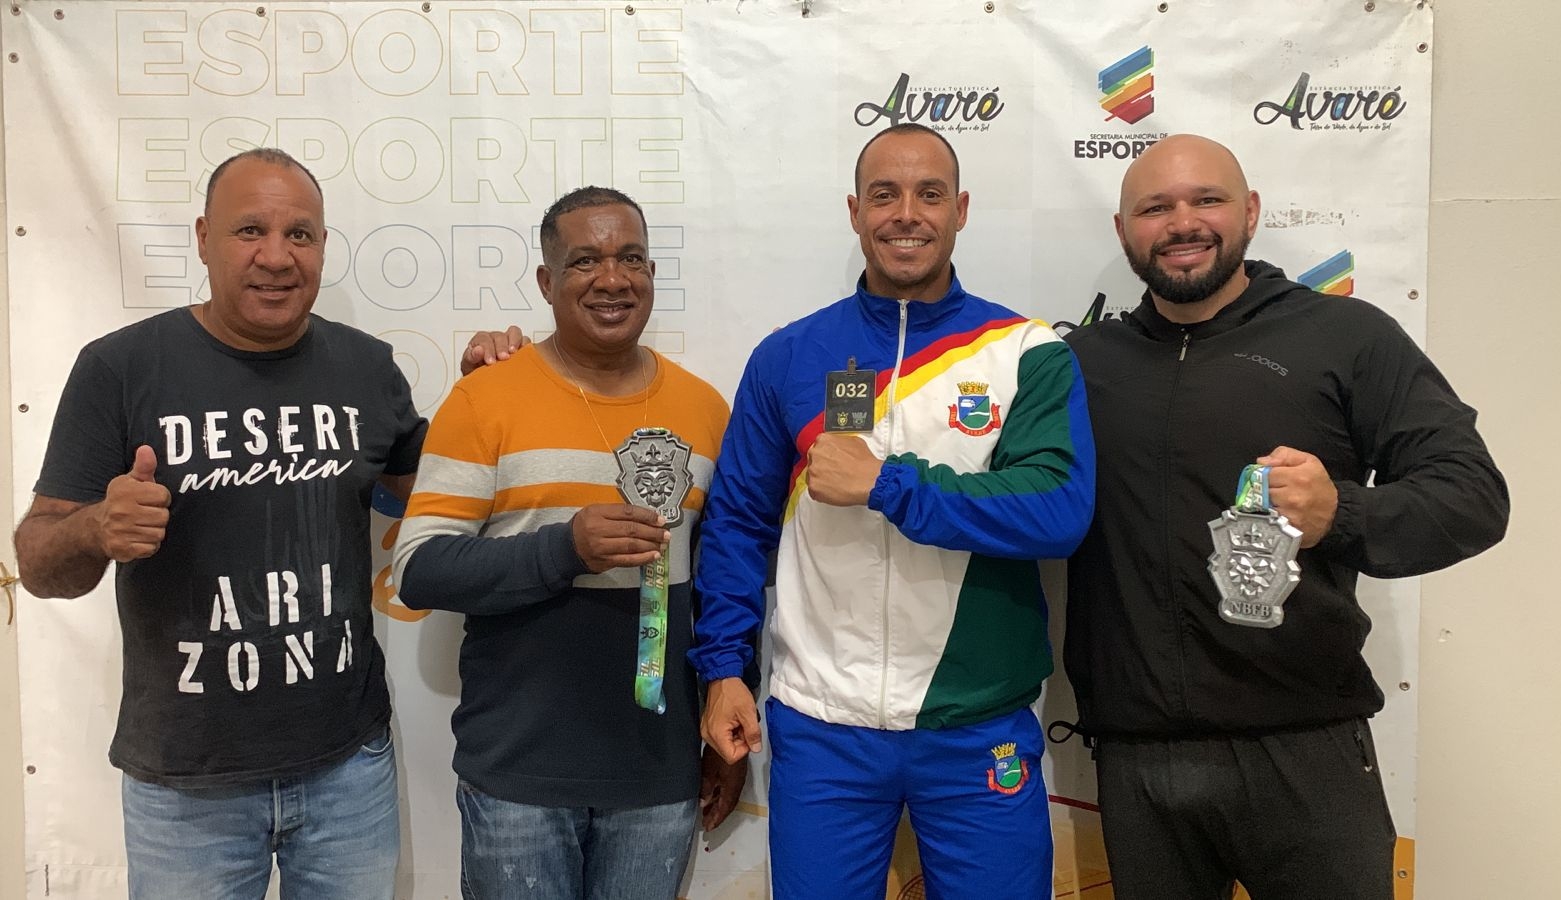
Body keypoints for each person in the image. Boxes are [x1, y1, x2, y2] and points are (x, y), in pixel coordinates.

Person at [1061, 134, 1510, 900]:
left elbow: (1473, 496)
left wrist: (1344, 512)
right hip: (1139, 764)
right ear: (1123, 229)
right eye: (1155, 207)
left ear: (1251, 212)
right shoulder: (1082, 363)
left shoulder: (1346, 336)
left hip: (1308, 754)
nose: (1182, 222)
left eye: (1207, 200)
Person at [689, 123, 1097, 899]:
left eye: (929, 194)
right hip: (823, 727)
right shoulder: (790, 356)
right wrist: (722, 669)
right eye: (884, 194)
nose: (906, 213)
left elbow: (1057, 510)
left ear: (960, 210)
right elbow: (737, 525)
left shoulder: (1027, 352)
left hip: (976, 723)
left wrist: (888, 485)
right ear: (855, 212)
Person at [12, 148, 426, 899]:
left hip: (347, 771)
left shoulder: (368, 368)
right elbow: (38, 564)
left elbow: (428, 493)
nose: (277, 256)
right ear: (204, 239)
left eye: (300, 234)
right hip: (186, 787)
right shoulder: (120, 368)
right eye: (249, 230)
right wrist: (97, 527)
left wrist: (491, 388)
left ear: (323, 245)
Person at [393, 186, 747, 900]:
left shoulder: (705, 409)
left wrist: (722, 723)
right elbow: (419, 569)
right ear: (546, 282)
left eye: (631, 259)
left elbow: (722, 586)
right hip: (519, 774)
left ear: (651, 274)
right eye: (585, 260)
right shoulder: (485, 398)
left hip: (658, 771)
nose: (612, 278)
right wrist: (565, 550)